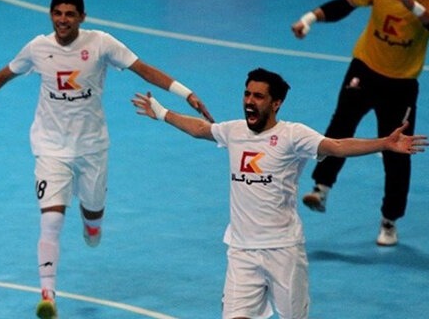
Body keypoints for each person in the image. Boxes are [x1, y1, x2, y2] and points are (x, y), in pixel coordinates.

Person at [0, 0, 214, 319]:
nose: (63, 20)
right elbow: (2, 75)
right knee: (51, 220)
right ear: (50, 15)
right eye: (57, 13)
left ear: (82, 17)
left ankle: (92, 224)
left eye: (70, 14)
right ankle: (47, 295)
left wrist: (186, 94)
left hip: (92, 148)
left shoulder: (101, 43)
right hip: (50, 148)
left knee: (93, 220)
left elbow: (143, 69)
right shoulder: (38, 48)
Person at [131, 67, 427, 319]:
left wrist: (383, 143)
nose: (249, 101)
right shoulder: (234, 131)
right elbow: (200, 129)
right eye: (247, 94)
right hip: (242, 251)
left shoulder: (293, 135)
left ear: (276, 103)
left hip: (283, 250)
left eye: (258, 96)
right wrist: (162, 112)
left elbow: (337, 146)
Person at [290, 0, 429, 246]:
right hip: (364, 70)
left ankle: (389, 221)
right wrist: (308, 19)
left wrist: (414, 7)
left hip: (401, 84)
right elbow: (345, 5)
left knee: (396, 149)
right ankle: (321, 189)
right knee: (340, 127)